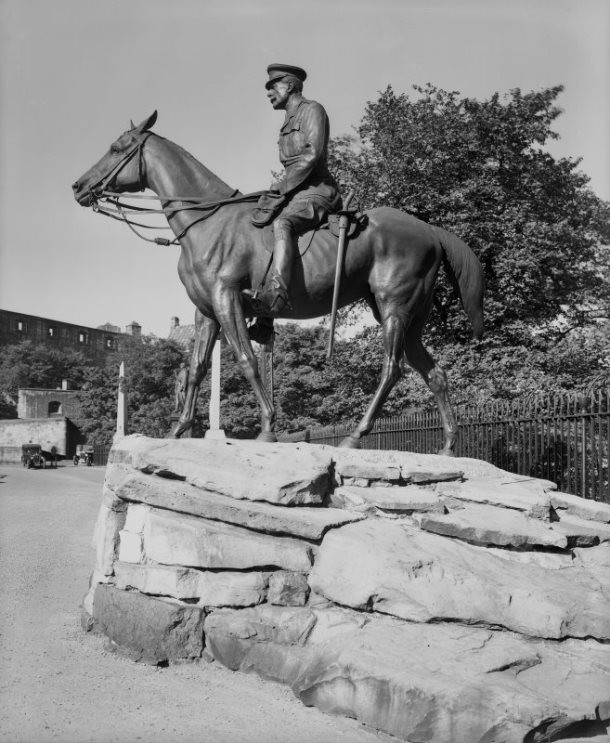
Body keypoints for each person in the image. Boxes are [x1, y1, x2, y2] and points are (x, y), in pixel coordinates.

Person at [247, 63, 341, 321]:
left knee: (283, 223)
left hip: (318, 192)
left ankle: (277, 296)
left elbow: (311, 156)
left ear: (289, 86)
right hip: (295, 193)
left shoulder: (312, 110)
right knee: (258, 227)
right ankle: (264, 319)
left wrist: (281, 186)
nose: (268, 93)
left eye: (272, 86)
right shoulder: (287, 121)